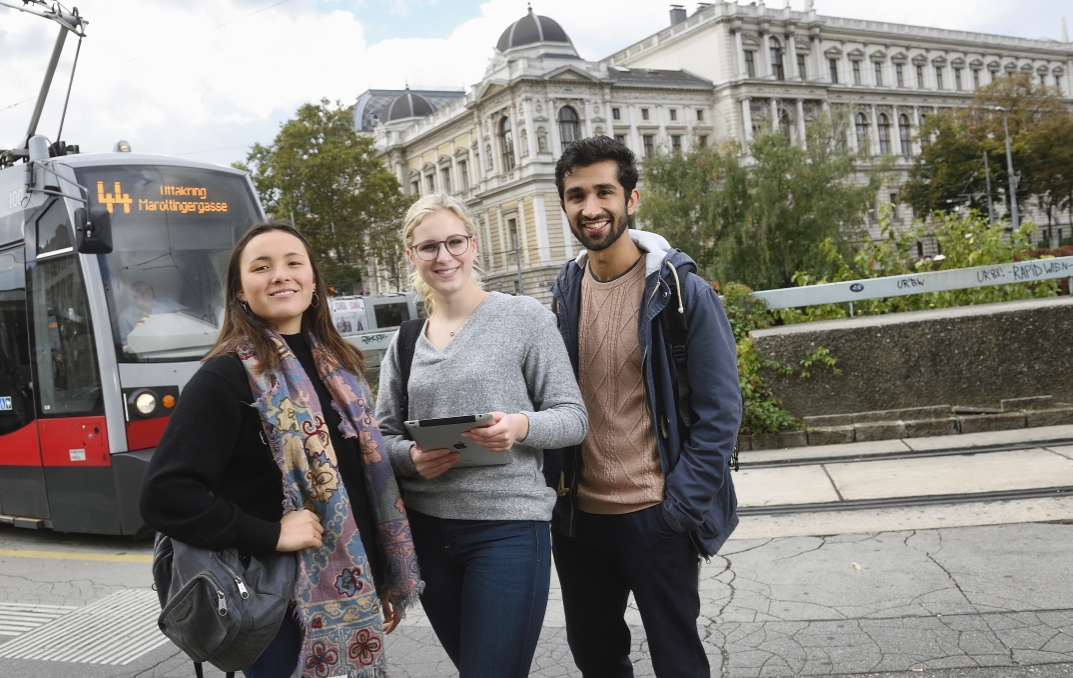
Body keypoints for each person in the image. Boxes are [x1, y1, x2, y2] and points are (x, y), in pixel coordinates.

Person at [140, 221, 422, 678]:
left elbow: (357, 484)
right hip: (275, 604)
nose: (280, 275)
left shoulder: (341, 368)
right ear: (239, 291)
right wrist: (271, 533)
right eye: (262, 266)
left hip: (353, 586)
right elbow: (164, 495)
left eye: (294, 263)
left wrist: (379, 574)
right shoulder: (224, 377)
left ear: (314, 282)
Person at [547, 136, 742, 678]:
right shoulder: (564, 291)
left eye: (604, 192)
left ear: (631, 200)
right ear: (563, 204)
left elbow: (721, 411)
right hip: (579, 523)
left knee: (678, 664)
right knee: (597, 661)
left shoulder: (681, 291)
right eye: (576, 195)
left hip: (655, 515)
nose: (590, 208)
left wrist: (678, 508)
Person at [375, 194, 588, 678]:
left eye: (454, 242)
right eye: (429, 247)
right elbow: (381, 436)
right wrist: (411, 456)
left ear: (473, 246)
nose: (443, 256)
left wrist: (519, 426)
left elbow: (573, 417)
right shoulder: (405, 340)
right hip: (428, 535)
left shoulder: (524, 318)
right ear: (411, 255)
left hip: (508, 529)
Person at [117, 280, 186, 344]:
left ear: (153, 293)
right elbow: (124, 342)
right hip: (145, 354)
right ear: (132, 296)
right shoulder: (125, 316)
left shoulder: (166, 303)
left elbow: (188, 315)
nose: (143, 294)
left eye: (147, 290)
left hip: (173, 345)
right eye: (138, 291)